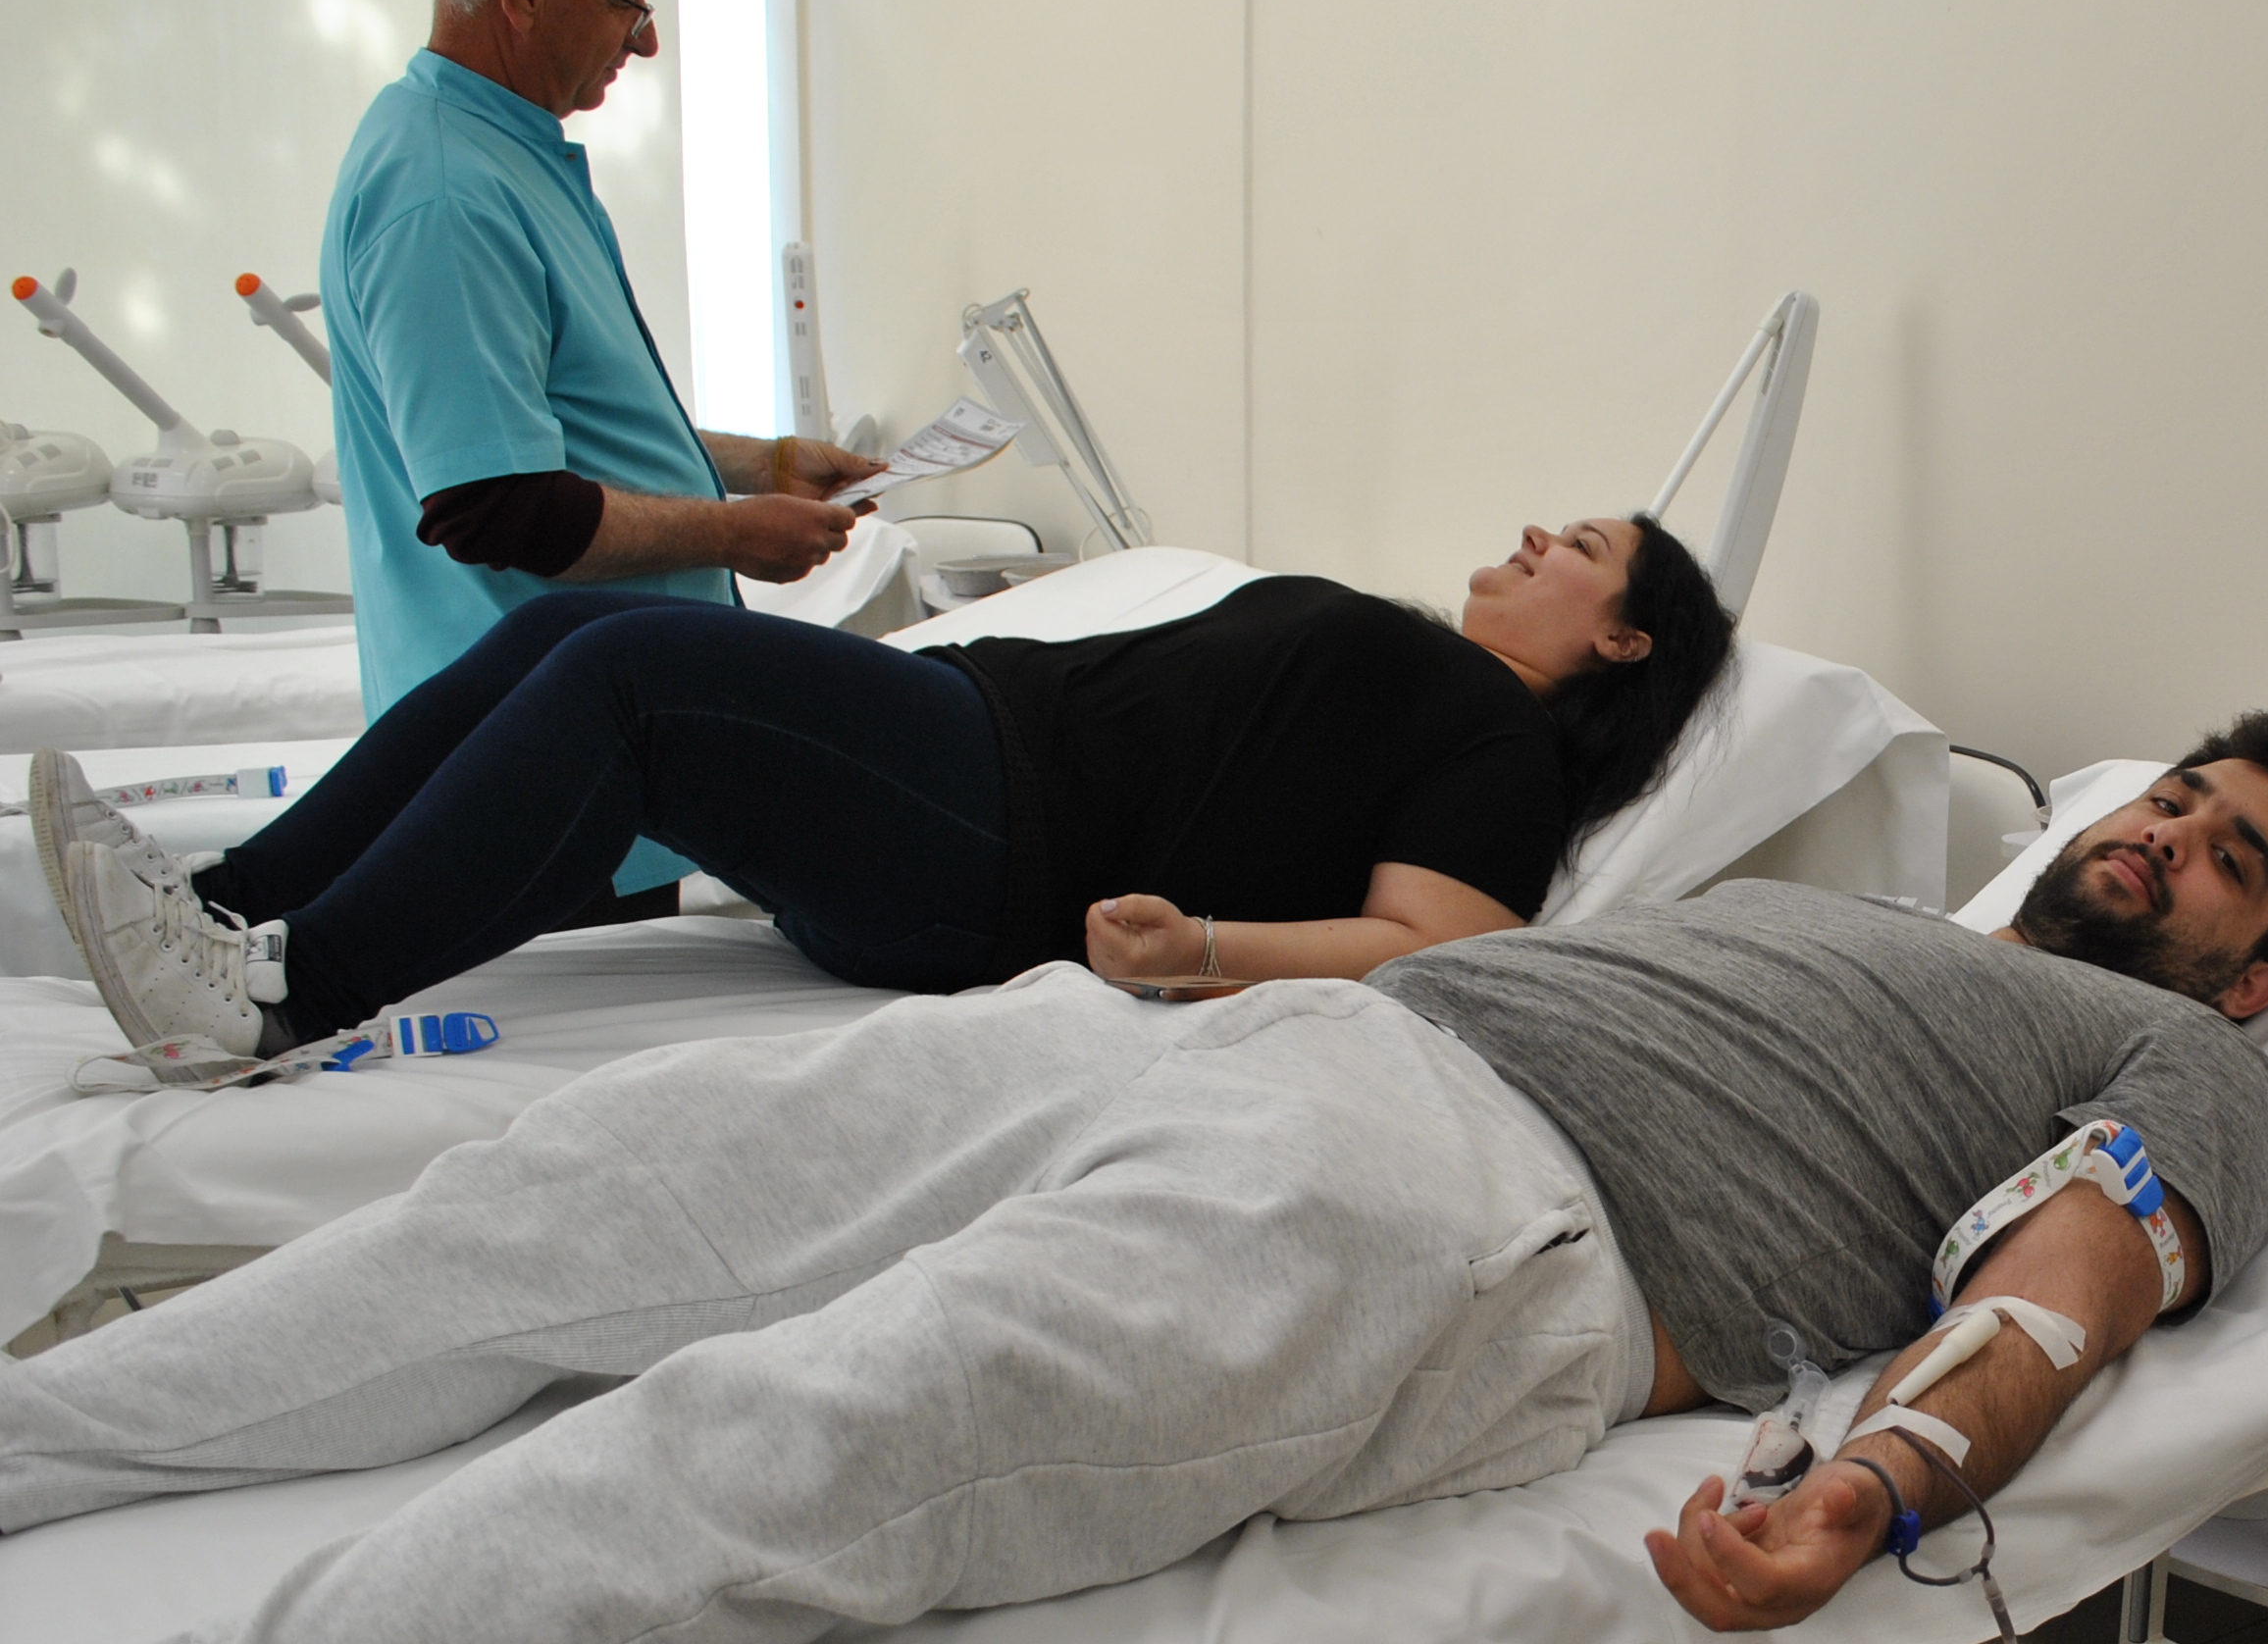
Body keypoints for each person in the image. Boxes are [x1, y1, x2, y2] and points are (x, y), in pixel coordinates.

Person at [0, 717, 2268, 1644]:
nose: (2164, 835)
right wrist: (1218, 968)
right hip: (1251, 1047)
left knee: (833, 1423)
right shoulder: (1879, 919)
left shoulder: (2185, 1066)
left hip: (1487, 1216)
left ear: (2252, 968)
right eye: (2172, 795)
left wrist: (1884, 1477)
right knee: (568, 1194)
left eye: (2226, 855)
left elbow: (2068, 1288)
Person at [31, 513, 1730, 1057]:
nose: (1534, 534)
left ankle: (280, 999)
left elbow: (1437, 946)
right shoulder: (1436, 673)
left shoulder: (1501, 749)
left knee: (629, 679)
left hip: (995, 838)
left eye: (1580, 546)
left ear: (1626, 640)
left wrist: (1203, 946)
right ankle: (231, 910)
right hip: (964, 761)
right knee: (569, 629)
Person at [326, 0, 887, 906]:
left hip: (590, 746)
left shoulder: (501, 152)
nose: (649, 40)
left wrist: (759, 464)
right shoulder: (443, 192)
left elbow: (551, 421)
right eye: (628, 5)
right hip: (535, 759)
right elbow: (501, 509)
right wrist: (733, 534)